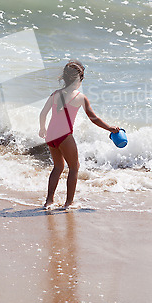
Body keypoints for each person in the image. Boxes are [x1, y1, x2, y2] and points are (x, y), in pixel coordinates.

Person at [39, 60, 119, 209]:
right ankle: (68, 203)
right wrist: (110, 128)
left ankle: (49, 201)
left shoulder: (55, 94)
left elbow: (43, 114)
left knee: (57, 167)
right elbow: (94, 119)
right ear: (80, 79)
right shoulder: (80, 97)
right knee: (74, 167)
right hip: (64, 136)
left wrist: (42, 128)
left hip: (50, 135)